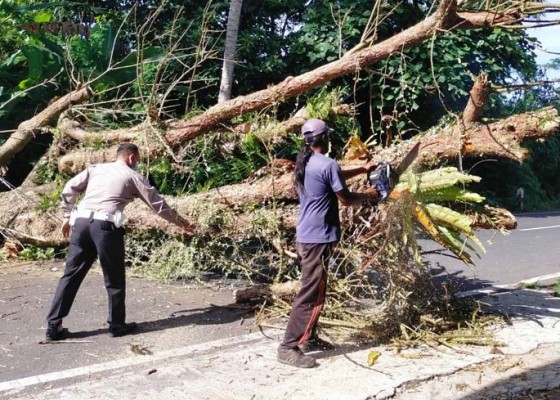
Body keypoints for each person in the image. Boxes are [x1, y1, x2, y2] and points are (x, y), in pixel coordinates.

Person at [45, 143, 194, 341]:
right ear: (131, 158)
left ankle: (53, 327)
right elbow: (158, 205)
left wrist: (66, 215)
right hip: (105, 227)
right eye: (137, 160)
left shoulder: (95, 169)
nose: (137, 164)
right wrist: (182, 222)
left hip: (80, 224)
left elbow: (69, 188)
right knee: (114, 277)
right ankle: (116, 325)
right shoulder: (133, 176)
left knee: (70, 275)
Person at [277, 119, 378, 368]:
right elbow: (345, 200)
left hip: (306, 236)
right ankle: (288, 347)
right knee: (311, 293)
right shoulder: (327, 164)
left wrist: (363, 169)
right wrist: (369, 196)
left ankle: (309, 338)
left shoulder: (305, 163)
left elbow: (333, 174)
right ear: (325, 139)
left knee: (316, 288)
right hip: (318, 238)